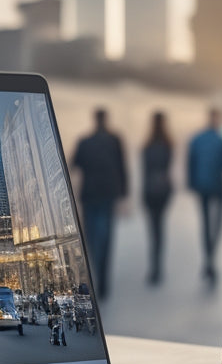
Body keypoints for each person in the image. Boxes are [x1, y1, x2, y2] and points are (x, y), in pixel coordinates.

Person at [72, 108, 128, 298]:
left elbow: (74, 163)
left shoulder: (85, 141)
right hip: (107, 195)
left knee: (91, 239)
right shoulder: (115, 141)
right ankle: (103, 281)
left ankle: (95, 277)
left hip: (89, 196)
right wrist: (124, 194)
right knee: (106, 239)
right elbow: (122, 168)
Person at [187, 107, 222, 285]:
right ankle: (211, 256)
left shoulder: (196, 139)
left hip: (202, 187)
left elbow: (190, 163)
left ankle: (208, 258)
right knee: (218, 224)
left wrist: (191, 184)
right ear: (218, 119)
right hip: (218, 187)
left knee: (205, 223)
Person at [141, 111, 173, 285]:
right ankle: (158, 267)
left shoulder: (147, 145)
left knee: (153, 230)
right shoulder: (168, 144)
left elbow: (145, 171)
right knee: (160, 229)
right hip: (163, 191)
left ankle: (154, 267)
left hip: (150, 192)